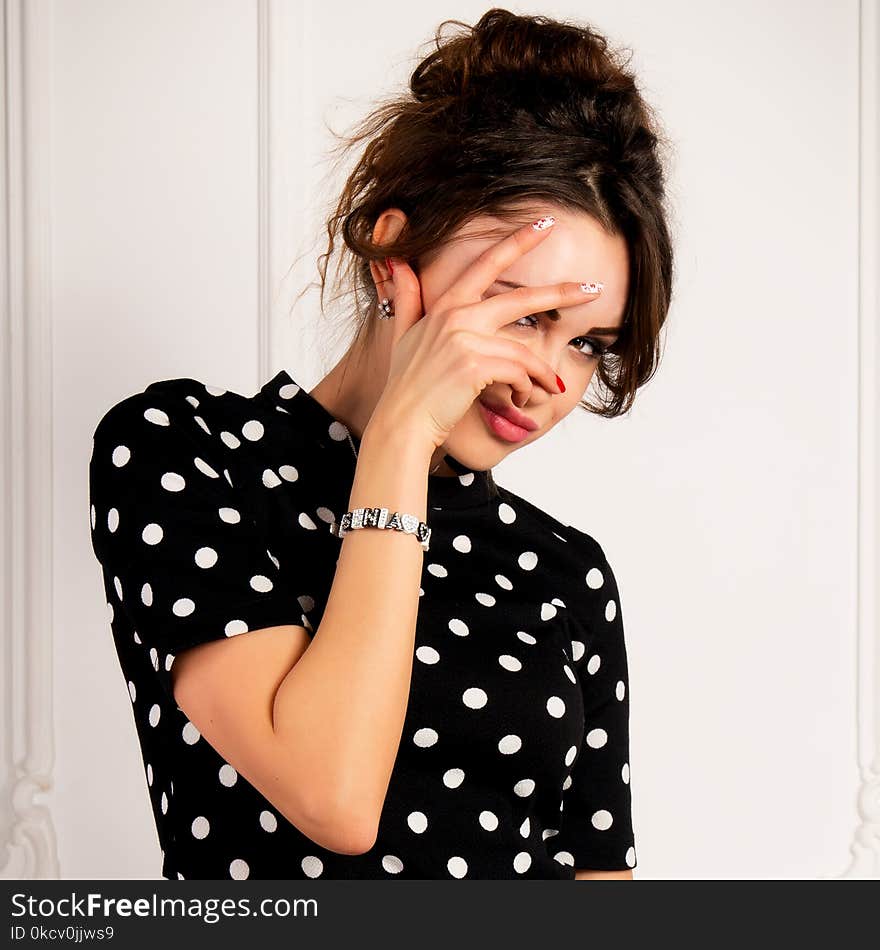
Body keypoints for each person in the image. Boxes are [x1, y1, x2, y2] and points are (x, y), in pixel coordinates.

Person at [88, 7, 672, 880]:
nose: (554, 376)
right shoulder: (187, 452)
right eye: (526, 315)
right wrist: (401, 435)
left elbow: (601, 880)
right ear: (393, 250)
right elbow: (333, 797)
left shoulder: (562, 567)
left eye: (589, 343)